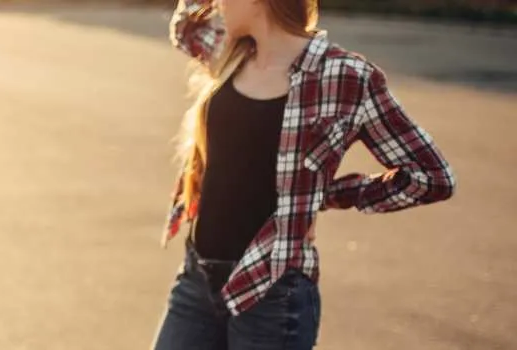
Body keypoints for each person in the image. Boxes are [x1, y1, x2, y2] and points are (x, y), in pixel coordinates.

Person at [153, 0, 455, 349]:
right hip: (197, 278)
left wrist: (333, 193)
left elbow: (431, 176)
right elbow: (187, 25)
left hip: (271, 291)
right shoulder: (231, 50)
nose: (218, 4)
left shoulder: (344, 76)